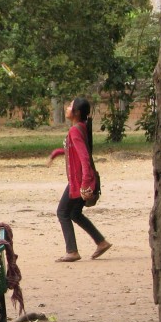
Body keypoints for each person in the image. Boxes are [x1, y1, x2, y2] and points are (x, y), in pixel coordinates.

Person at [48, 97, 112, 262]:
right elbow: (75, 151)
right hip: (80, 180)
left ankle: (72, 251)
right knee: (75, 213)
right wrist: (56, 153)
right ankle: (101, 242)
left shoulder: (75, 130)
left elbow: (84, 157)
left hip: (79, 181)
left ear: (76, 112)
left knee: (62, 212)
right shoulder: (80, 127)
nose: (67, 108)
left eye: (70, 106)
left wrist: (85, 185)